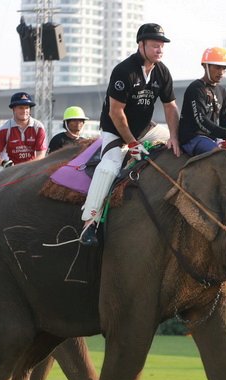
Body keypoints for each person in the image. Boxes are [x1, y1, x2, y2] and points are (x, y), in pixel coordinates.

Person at [79, 23, 181, 246]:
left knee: (181, 146)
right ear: (141, 44)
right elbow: (116, 113)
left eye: (162, 46)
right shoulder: (124, 71)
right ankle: (90, 222)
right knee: (109, 167)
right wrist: (131, 143)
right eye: (155, 45)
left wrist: (174, 136)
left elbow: (171, 107)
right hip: (115, 131)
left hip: (145, 130)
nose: (160, 50)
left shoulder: (162, 71)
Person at [178, 47, 226, 156]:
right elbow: (201, 121)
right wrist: (225, 134)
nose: (221, 72)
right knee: (221, 156)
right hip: (193, 138)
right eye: (217, 67)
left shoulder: (222, 91)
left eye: (224, 68)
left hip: (211, 139)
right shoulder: (195, 88)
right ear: (205, 66)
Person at [0, 92, 47, 168]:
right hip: (12, 172)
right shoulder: (4, 130)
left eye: (27, 107)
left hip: (32, 170)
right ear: (13, 109)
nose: (24, 111)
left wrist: (27, 167)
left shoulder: (38, 127)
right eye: (21, 108)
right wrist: (4, 162)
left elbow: (41, 155)